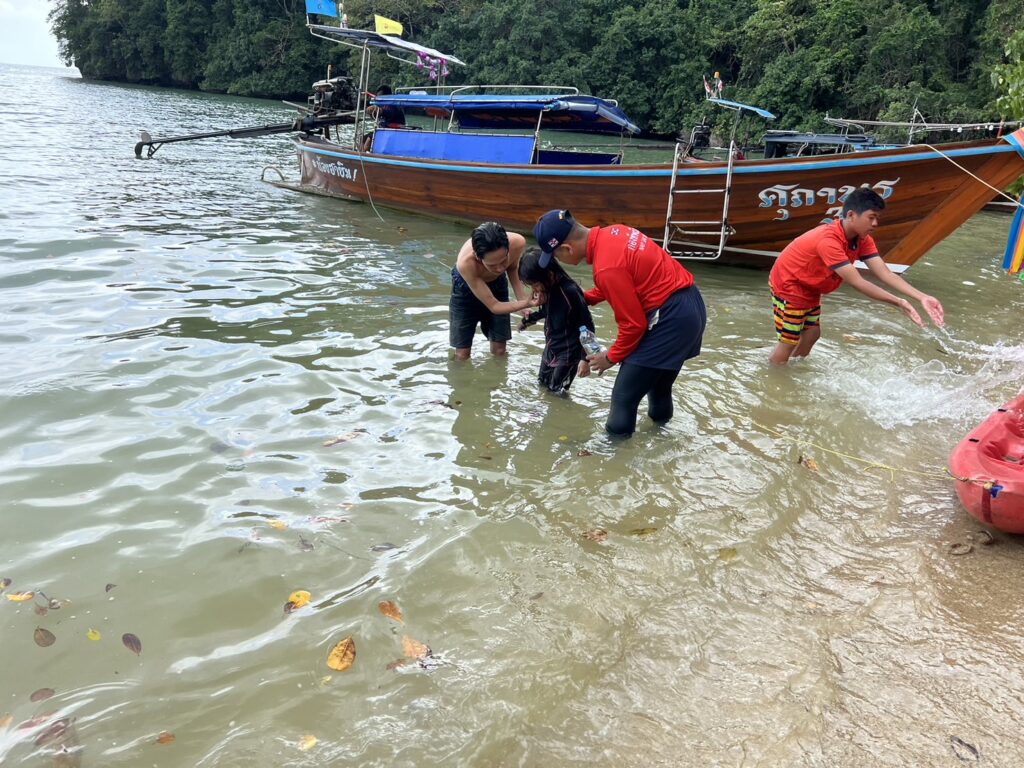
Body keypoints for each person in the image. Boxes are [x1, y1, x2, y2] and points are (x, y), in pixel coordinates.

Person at [533, 209, 706, 437]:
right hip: (691, 307)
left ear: (567, 248)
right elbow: (625, 281)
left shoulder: (606, 268)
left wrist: (610, 357)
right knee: (659, 386)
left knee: (624, 397)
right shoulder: (616, 232)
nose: (558, 261)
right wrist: (582, 298)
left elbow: (633, 325)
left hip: (670, 319)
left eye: (555, 256)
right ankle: (663, 437)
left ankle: (613, 452)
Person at [767, 187, 945, 365]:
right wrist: (898, 301)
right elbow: (858, 282)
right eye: (871, 217)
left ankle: (792, 369)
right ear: (851, 215)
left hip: (810, 285)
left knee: (812, 334)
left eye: (877, 218)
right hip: (789, 284)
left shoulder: (862, 239)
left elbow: (885, 273)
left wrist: (922, 297)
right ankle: (775, 374)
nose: (875, 223)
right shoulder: (829, 241)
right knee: (789, 340)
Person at [450, 222, 541, 360]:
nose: (500, 268)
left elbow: (512, 268)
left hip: (497, 283)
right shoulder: (466, 264)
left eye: (503, 261)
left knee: (500, 350)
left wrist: (522, 301)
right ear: (477, 257)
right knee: (462, 354)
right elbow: (494, 306)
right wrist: (527, 303)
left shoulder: (517, 243)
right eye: (492, 265)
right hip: (465, 288)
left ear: (508, 248)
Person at [518, 246, 595, 394]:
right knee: (541, 384)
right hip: (552, 346)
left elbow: (587, 325)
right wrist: (528, 320)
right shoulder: (547, 290)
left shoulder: (570, 292)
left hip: (569, 352)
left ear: (550, 275)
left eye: (535, 284)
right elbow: (547, 312)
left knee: (556, 393)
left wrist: (586, 358)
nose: (534, 289)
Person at [362, 84, 406, 151]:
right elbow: (376, 116)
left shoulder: (394, 105)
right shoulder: (382, 104)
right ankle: (359, 154)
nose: (379, 99)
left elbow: (387, 112)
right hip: (383, 131)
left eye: (380, 96)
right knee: (362, 138)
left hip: (393, 132)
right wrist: (370, 112)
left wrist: (377, 109)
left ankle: (364, 155)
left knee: (369, 139)